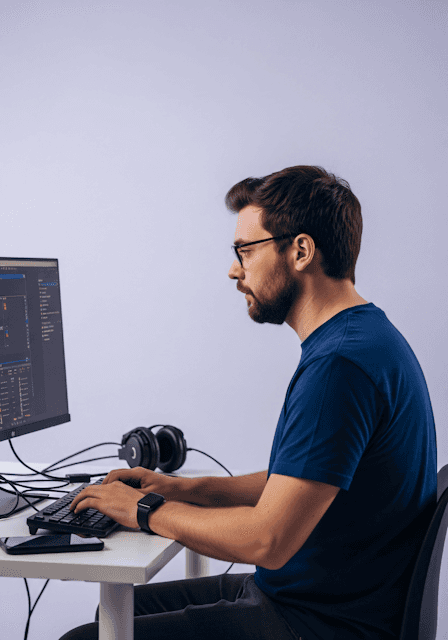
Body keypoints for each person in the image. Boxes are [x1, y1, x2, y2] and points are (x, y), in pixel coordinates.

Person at [60, 165, 437, 640]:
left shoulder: (339, 366)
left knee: (85, 639)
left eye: (245, 250)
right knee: (112, 619)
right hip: (310, 601)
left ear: (300, 250)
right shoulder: (365, 339)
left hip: (317, 624)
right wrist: (179, 490)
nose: (235, 269)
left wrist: (142, 509)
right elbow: (301, 482)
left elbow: (267, 540)